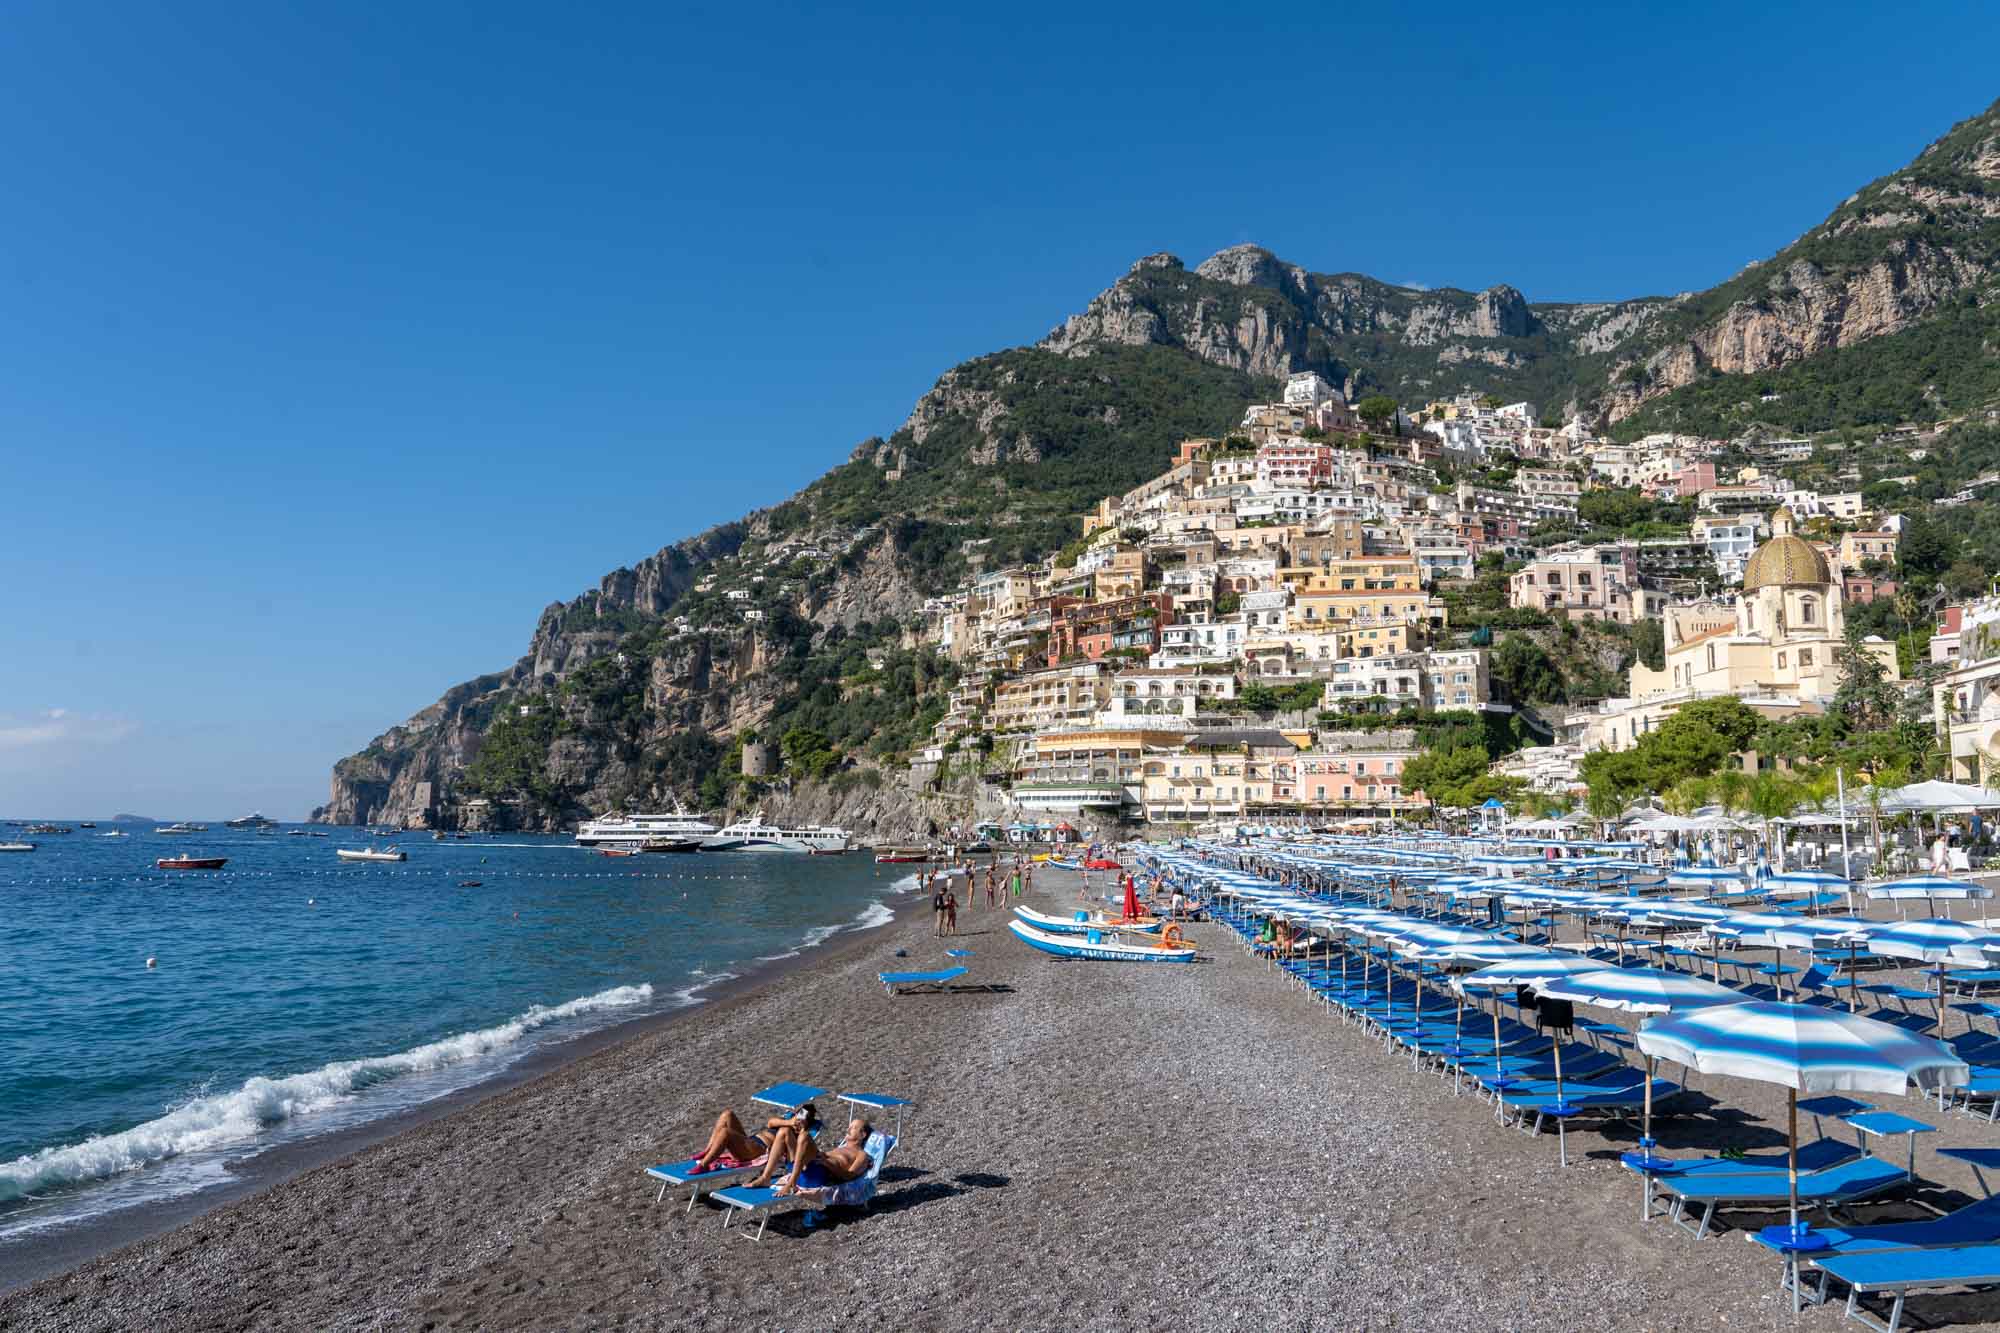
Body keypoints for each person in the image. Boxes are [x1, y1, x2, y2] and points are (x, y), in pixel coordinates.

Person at [750, 1116, 876, 1195]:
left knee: (804, 1136)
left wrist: (827, 1163)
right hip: (804, 1169)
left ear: (863, 1135)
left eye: (853, 1127)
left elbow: (849, 1176)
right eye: (849, 1126)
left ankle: (791, 1183)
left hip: (816, 1176)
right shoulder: (841, 1147)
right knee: (784, 1131)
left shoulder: (862, 1155)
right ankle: (766, 1177)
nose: (848, 1129)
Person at [690, 1102, 819, 1173]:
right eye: (799, 1118)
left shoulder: (801, 1135)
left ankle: (704, 1164)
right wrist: (790, 1122)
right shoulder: (788, 1120)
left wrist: (799, 1129)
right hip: (749, 1140)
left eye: (803, 1122)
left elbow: (798, 1150)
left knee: (725, 1132)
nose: (798, 1123)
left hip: (756, 1150)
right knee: (727, 1114)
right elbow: (770, 1122)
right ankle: (707, 1151)